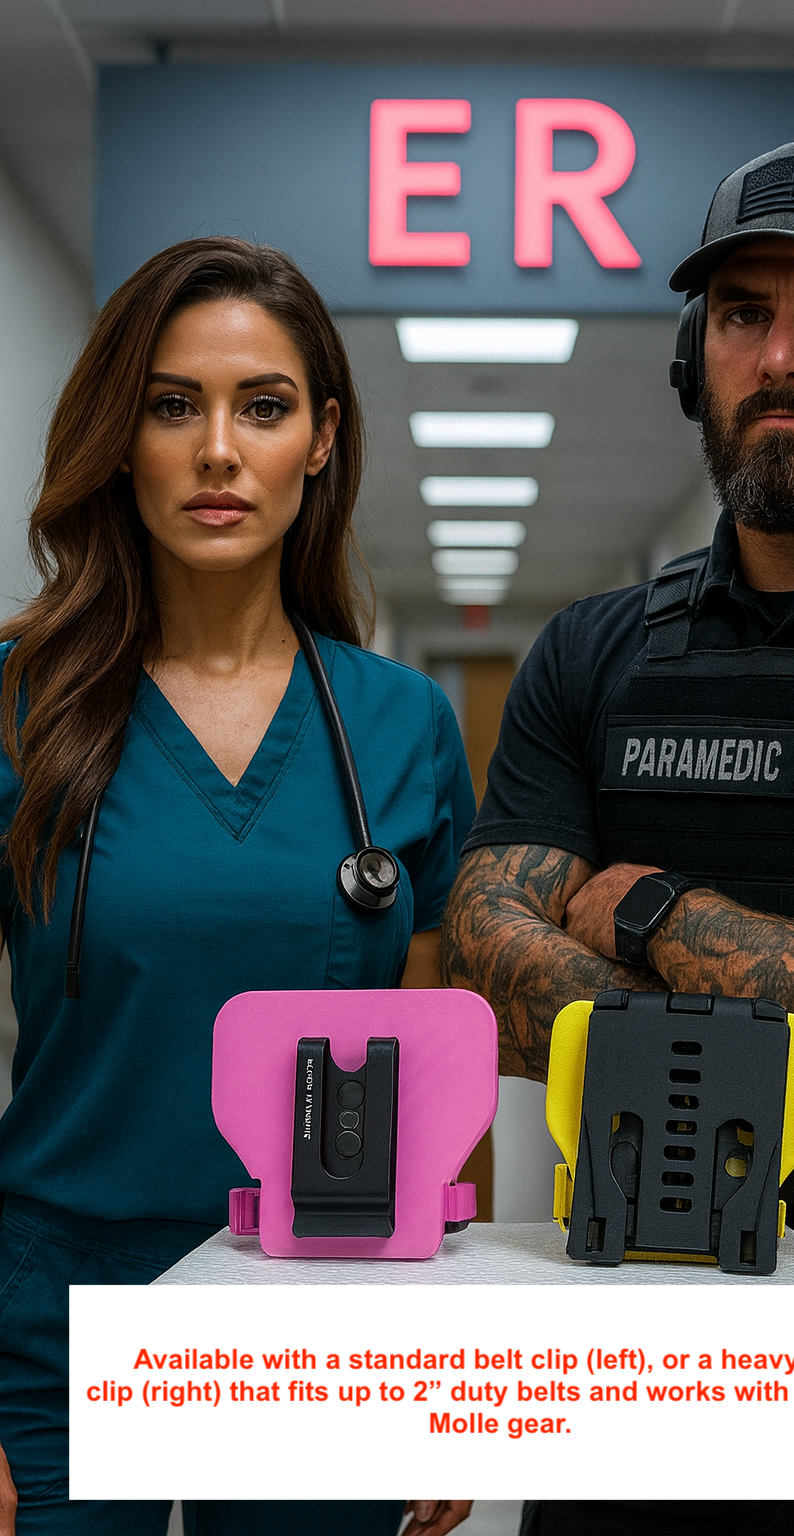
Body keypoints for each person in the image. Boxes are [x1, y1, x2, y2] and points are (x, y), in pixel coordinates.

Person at [442, 138, 794, 1535]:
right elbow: (481, 975)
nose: (782, 354)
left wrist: (644, 915)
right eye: (744, 312)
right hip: (637, 1351)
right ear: (695, 354)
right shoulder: (593, 651)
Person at [0, 237, 475, 1536]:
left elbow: (429, 1096)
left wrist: (444, 1376)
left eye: (262, 407)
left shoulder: (399, 729)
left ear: (321, 439)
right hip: (62, 1313)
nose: (219, 450)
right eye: (172, 405)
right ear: (123, 436)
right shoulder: (17, 706)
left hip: (324, 1306)